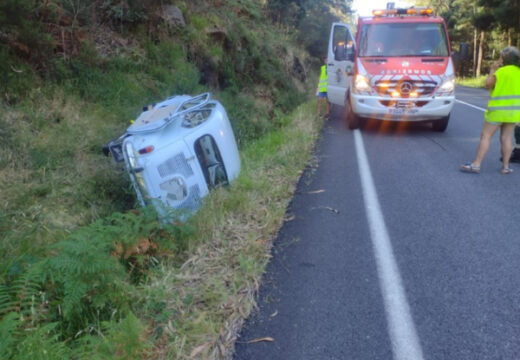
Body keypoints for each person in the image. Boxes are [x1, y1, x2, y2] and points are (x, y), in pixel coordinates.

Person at [460, 46, 520, 174]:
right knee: (506, 139)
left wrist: (492, 69)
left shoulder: (501, 72)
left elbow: (487, 85)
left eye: (500, 56)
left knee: (486, 136)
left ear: (504, 58)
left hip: (497, 112)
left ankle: (476, 164)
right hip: (513, 112)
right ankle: (506, 167)